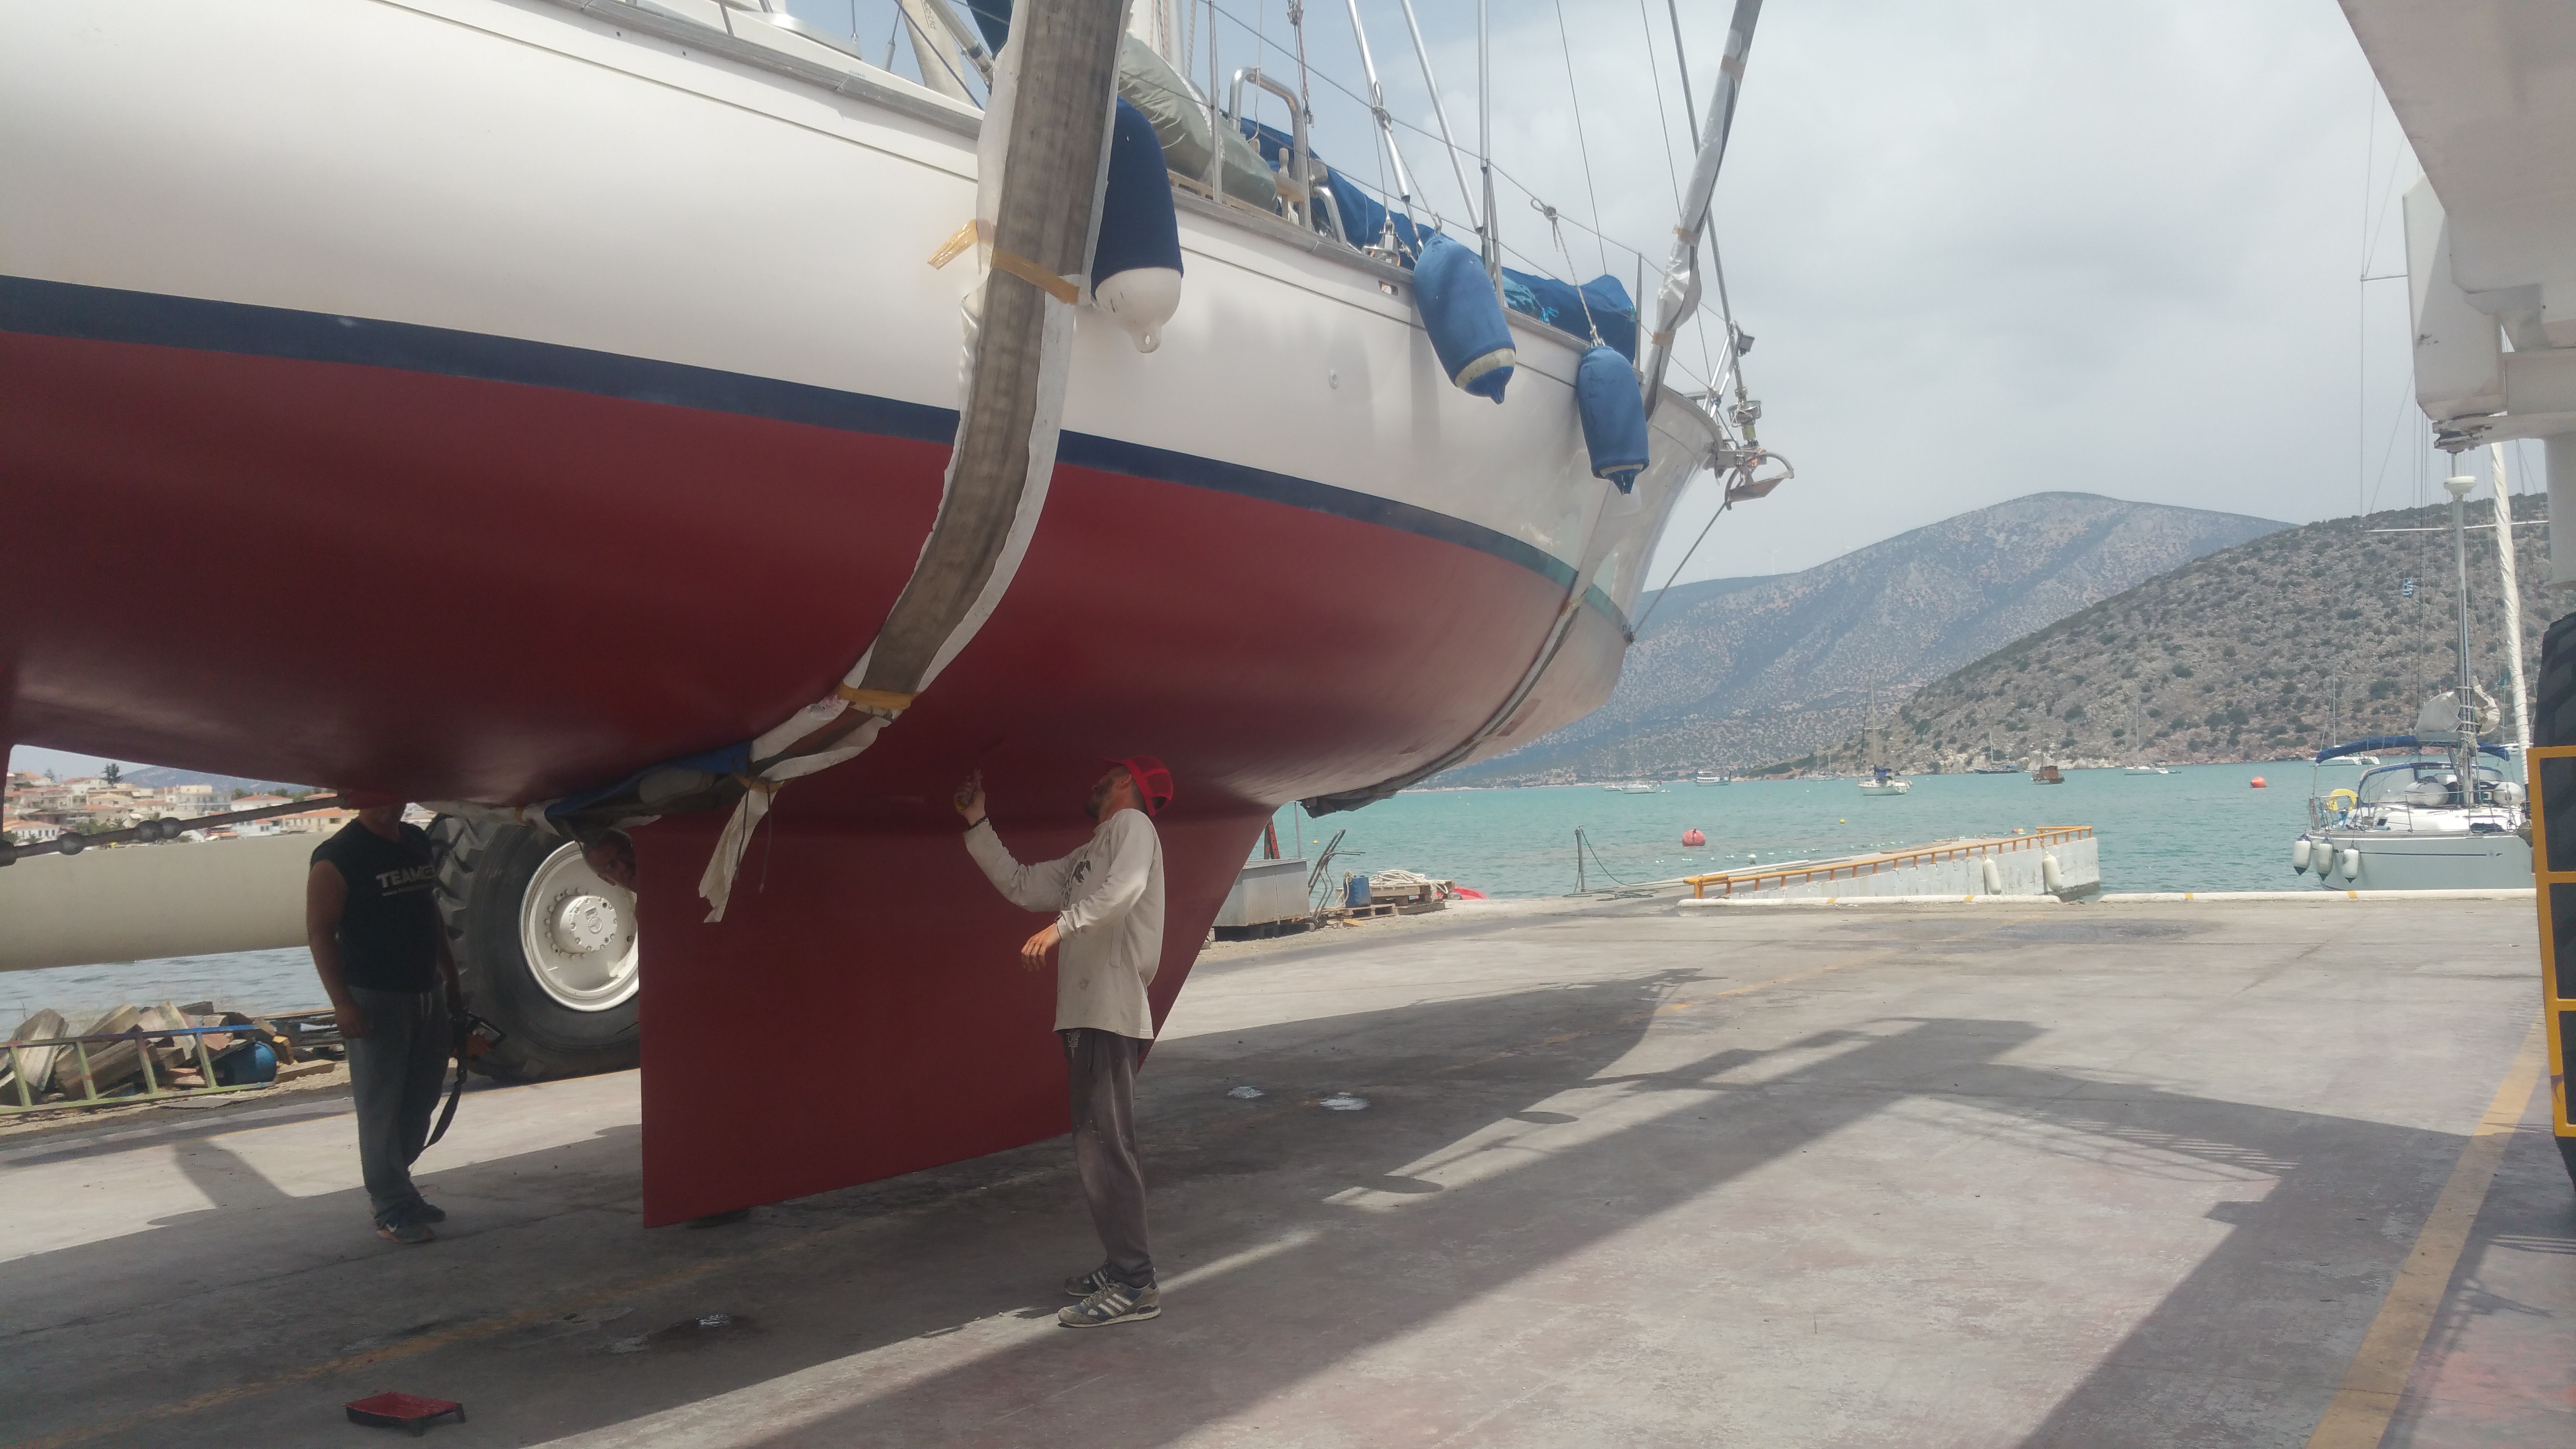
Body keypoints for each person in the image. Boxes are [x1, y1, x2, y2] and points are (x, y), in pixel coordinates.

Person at [956, 756, 1173, 1327]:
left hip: (1109, 1008)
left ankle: (1135, 1284)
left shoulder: (1133, 827)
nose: (1094, 781)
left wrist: (1061, 926)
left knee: (1105, 1148)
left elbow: (1125, 890)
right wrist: (978, 822)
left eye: (1108, 775)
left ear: (1125, 782)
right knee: (1096, 1145)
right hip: (1085, 1011)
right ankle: (1120, 1266)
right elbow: (1023, 885)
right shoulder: (1089, 853)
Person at [306, 795, 462, 1244]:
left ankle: (400, 1187)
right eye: (375, 799)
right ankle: (390, 1205)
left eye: (394, 798)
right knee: (382, 1106)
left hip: (426, 990)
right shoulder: (337, 857)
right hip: (375, 996)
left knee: (421, 1099)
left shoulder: (414, 840)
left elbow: (429, 912)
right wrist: (342, 1003)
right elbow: (320, 933)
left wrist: (451, 977)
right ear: (357, 798)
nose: (388, 808)